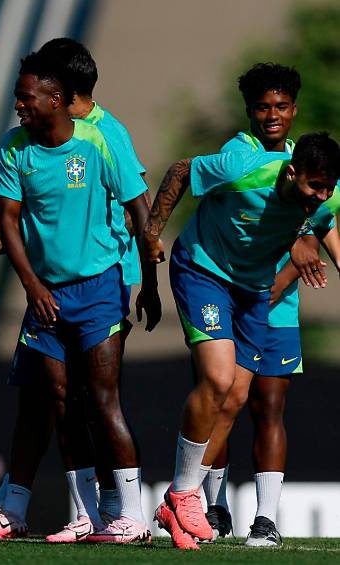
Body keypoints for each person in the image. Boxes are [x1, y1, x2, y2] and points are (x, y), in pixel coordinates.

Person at [0, 38, 157, 543]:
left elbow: (138, 209)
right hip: (46, 291)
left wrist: (148, 281)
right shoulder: (17, 145)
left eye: (27, 93)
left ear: (59, 92)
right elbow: (19, 220)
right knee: (50, 401)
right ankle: (66, 510)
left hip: (103, 285)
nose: (18, 103)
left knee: (98, 402)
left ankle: (125, 512)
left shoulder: (104, 137)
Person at [145, 132, 340, 550]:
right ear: (291, 172)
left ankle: (177, 503)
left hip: (253, 290)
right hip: (204, 271)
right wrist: (151, 233)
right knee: (217, 379)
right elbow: (181, 171)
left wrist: (307, 238)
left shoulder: (327, 199)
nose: (320, 196)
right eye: (313, 186)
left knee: (233, 398)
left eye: (327, 188)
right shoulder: (245, 169)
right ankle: (185, 494)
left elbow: (319, 228)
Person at [200, 63, 340, 547]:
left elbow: (325, 222)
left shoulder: (314, 167)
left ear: (294, 110)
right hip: (233, 293)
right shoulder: (239, 157)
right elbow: (208, 208)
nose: (273, 115)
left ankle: (265, 519)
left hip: (276, 303)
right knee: (222, 401)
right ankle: (211, 507)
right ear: (250, 111)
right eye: (264, 107)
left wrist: (303, 251)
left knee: (270, 405)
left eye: (281, 106)